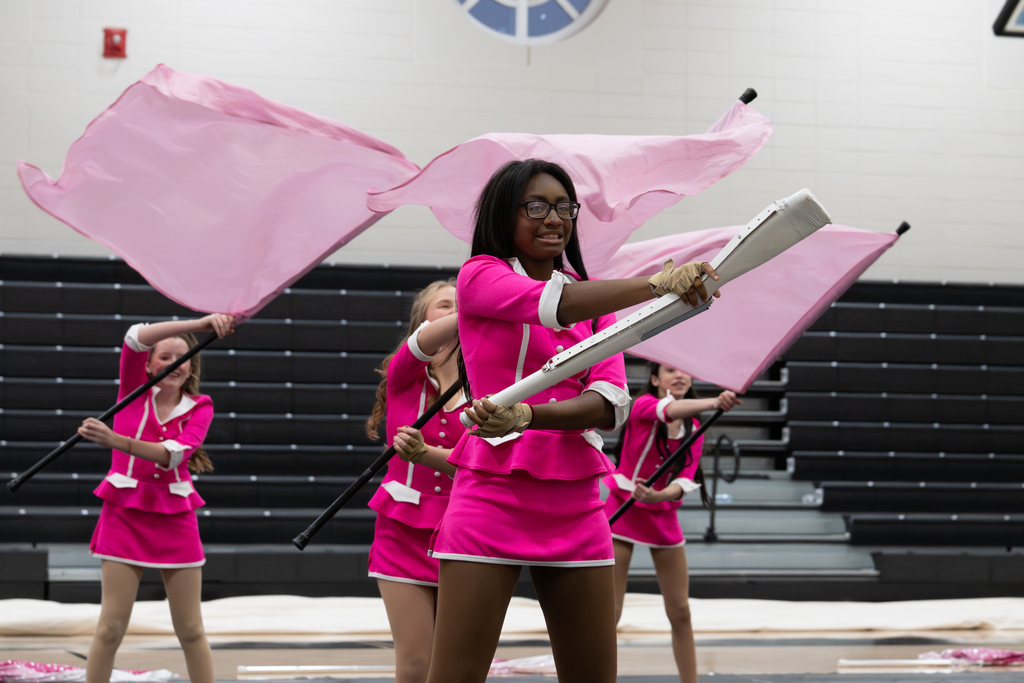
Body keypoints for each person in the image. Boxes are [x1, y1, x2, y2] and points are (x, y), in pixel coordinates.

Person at [424, 158, 721, 683]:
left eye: (564, 207)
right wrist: (656, 286)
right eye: (535, 206)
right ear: (504, 214)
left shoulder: (597, 305)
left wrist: (528, 414)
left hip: (578, 501)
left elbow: (610, 405)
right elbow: (550, 305)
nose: (554, 218)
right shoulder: (479, 277)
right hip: (491, 491)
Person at [78, 314, 235, 683]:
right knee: (110, 628)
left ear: (191, 367)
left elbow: (175, 454)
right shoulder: (131, 389)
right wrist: (201, 324)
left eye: (183, 359)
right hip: (123, 514)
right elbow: (135, 336)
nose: (174, 365)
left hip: (176, 516)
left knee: (192, 630)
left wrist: (113, 440)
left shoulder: (201, 407)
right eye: (164, 357)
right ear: (148, 365)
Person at [604, 363, 740, 683]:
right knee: (610, 614)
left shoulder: (694, 426)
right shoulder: (642, 406)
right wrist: (714, 402)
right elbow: (668, 410)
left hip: (660, 512)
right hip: (623, 508)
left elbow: (686, 477)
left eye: (685, 370)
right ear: (655, 380)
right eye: (669, 370)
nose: (680, 375)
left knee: (680, 611)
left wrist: (659, 495)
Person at [364, 280, 465, 683]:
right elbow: (420, 345)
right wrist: (481, 305)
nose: (459, 311)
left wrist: (428, 455)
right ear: (425, 319)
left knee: (455, 667)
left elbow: (481, 468)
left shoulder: (491, 386)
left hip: (462, 531)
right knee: (414, 664)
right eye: (446, 305)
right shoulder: (404, 373)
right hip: (401, 529)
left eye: (465, 304)